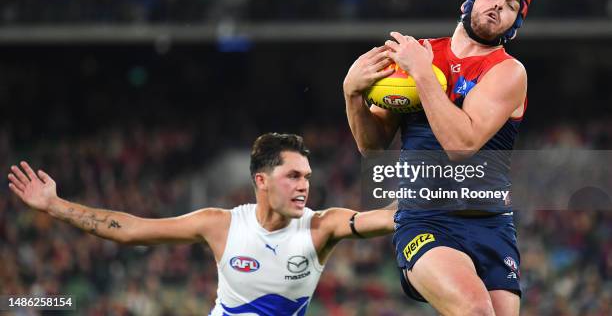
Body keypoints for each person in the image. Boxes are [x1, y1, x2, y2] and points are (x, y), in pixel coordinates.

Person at [7, 132, 395, 316]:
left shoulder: (322, 227)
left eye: (307, 176)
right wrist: (56, 206)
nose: (304, 186)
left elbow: (384, 217)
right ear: (261, 180)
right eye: (293, 176)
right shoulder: (220, 224)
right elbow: (131, 230)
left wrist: (443, 195)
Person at [343, 0, 532, 316]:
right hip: (426, 220)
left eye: (511, 6)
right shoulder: (418, 54)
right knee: (476, 311)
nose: (499, 6)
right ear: (469, 0)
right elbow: (372, 148)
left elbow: (461, 145)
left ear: (513, 26)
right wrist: (352, 94)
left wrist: (423, 74)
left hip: (491, 224)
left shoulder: (508, 71)